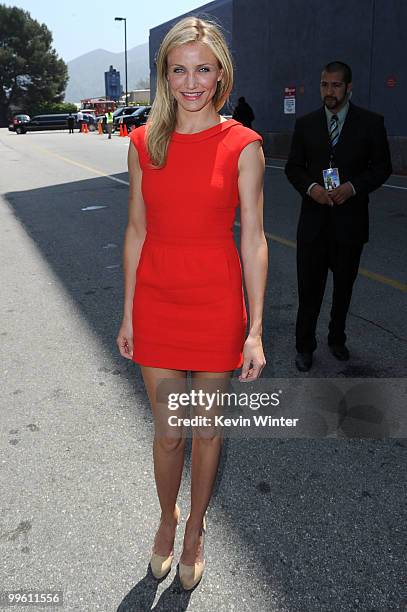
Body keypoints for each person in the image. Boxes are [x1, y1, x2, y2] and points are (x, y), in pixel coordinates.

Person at [116, 16, 267, 590]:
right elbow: (135, 231)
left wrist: (253, 330)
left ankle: (196, 528)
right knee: (170, 432)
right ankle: (166, 517)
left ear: (221, 74)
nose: (191, 81)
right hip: (157, 301)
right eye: (179, 69)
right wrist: (128, 311)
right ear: (164, 76)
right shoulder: (141, 142)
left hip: (216, 305)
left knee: (206, 430)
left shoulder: (243, 145)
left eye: (203, 68)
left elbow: (253, 240)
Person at [285, 61, 392, 372]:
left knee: (343, 290)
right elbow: (294, 167)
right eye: (324, 85)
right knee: (309, 292)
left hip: (350, 226)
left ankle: (337, 338)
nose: (328, 92)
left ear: (348, 87)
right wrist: (312, 188)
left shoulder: (371, 123)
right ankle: (304, 347)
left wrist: (354, 188)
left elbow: (381, 167)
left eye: (334, 85)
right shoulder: (306, 124)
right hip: (314, 226)